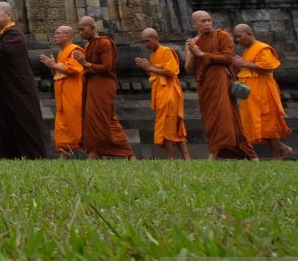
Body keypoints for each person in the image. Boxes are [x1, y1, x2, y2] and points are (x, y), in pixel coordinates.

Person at [0, 2, 46, 160]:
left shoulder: (14, 34)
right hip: (5, 90)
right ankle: (7, 156)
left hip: (19, 90)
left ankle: (33, 157)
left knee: (24, 124)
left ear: (9, 15)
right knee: (3, 123)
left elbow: (6, 53)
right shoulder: (0, 35)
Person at [185, 11, 256, 160]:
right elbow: (189, 69)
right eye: (203, 21)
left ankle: (213, 155)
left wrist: (203, 55)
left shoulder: (221, 36)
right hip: (205, 85)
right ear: (194, 24)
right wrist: (192, 54)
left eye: (209, 20)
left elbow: (229, 58)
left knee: (223, 117)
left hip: (221, 82)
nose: (207, 23)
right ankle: (251, 156)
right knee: (211, 119)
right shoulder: (193, 42)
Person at [75, 17, 135, 160]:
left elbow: (106, 66)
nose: (81, 33)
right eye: (79, 30)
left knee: (106, 118)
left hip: (104, 84)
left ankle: (130, 154)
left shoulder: (105, 43)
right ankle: (94, 154)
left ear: (92, 27)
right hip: (92, 84)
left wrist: (85, 63)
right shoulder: (88, 46)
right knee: (93, 119)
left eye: (83, 29)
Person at [231, 23, 291, 159]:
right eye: (236, 38)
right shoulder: (248, 50)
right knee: (259, 122)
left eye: (239, 36)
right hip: (252, 92)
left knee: (268, 121)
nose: (238, 40)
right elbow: (248, 70)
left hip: (264, 91)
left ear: (249, 33)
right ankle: (282, 148)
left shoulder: (262, 48)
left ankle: (278, 154)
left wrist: (243, 64)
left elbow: (268, 67)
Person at [134, 28, 190, 160]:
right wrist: (147, 69)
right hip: (160, 93)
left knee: (168, 125)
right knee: (173, 126)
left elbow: (172, 72)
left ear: (156, 38)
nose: (146, 45)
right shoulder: (153, 56)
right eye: (143, 42)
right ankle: (187, 159)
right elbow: (154, 74)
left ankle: (170, 158)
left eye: (147, 41)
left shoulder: (166, 51)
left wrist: (150, 68)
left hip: (170, 93)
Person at [39, 25, 84, 159]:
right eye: (55, 33)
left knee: (76, 124)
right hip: (62, 97)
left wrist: (53, 65)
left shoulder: (76, 51)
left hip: (74, 94)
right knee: (61, 126)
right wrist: (52, 67)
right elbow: (59, 72)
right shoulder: (61, 53)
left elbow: (73, 70)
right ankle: (63, 158)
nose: (55, 36)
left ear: (68, 36)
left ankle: (93, 154)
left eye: (58, 33)